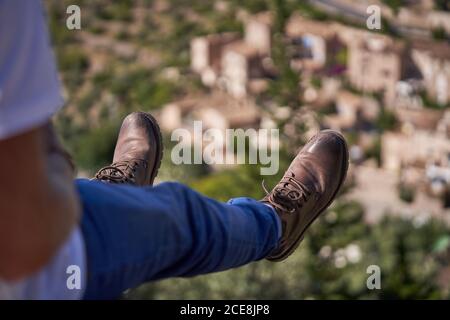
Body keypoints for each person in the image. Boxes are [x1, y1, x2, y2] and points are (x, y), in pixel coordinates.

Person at [0, 0, 349, 300]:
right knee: (184, 218)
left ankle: (117, 194)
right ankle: (275, 225)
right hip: (47, 262)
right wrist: (53, 170)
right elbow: (29, 234)